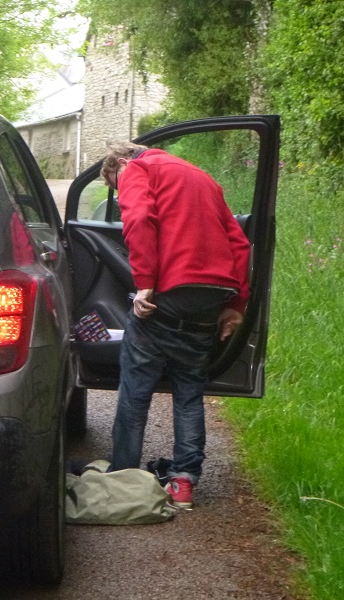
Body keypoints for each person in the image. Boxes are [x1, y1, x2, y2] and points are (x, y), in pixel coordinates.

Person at [100, 142, 251, 509]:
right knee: (189, 391)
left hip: (169, 293)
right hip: (212, 297)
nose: (120, 193)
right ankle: (183, 483)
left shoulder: (137, 168)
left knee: (136, 391)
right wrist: (236, 305)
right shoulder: (203, 178)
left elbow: (139, 219)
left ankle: (123, 479)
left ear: (121, 162)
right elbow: (240, 244)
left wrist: (144, 283)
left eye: (116, 186)